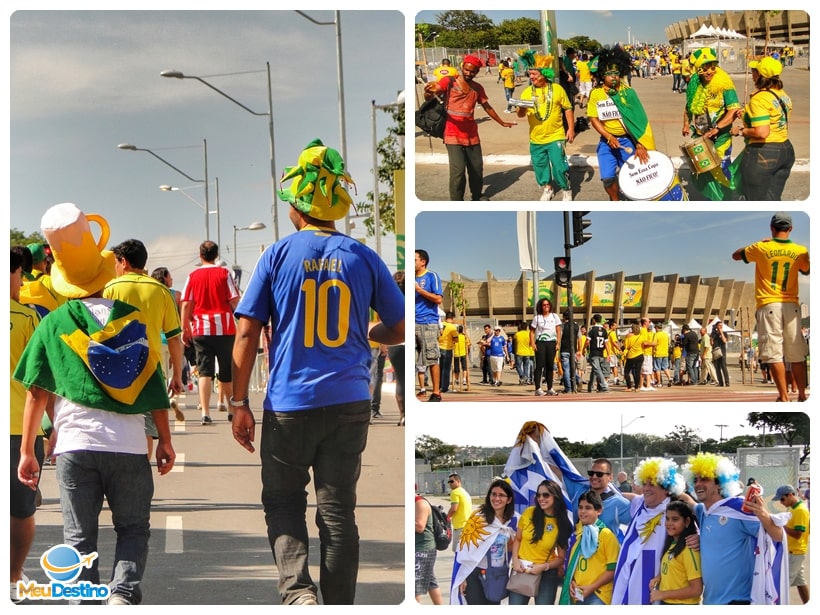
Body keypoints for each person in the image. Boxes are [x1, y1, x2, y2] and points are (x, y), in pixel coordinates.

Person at [229, 139, 404, 605]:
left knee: (284, 502)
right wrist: (365, 333)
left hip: (289, 405)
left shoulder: (277, 255)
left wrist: (237, 402)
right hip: (348, 403)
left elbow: (246, 336)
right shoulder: (363, 256)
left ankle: (298, 593)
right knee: (338, 512)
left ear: (297, 205)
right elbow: (401, 325)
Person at [15, 202, 175, 605]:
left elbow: (36, 391)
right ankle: (122, 593)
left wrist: (28, 451)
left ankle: (84, 602)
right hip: (127, 444)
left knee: (78, 536)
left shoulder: (54, 322)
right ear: (107, 275)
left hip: (73, 445)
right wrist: (166, 440)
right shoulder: (130, 317)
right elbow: (154, 386)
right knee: (133, 527)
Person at [103, 239, 184, 456]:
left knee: (116, 426)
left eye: (116, 263)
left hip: (115, 370)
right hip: (151, 368)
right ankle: (142, 469)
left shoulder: (109, 289)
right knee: (147, 429)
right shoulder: (162, 291)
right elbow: (175, 338)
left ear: (124, 262)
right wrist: (177, 374)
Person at [682, 452, 788, 604]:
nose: (698, 484)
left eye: (704, 479)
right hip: (710, 600)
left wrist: (763, 514)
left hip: (737, 600)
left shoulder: (739, 509)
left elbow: (778, 536)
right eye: (695, 480)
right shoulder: (703, 511)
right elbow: (687, 501)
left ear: (720, 484)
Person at [732, 212, 809, 401]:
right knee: (796, 354)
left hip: (769, 303)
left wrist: (759, 243)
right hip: (791, 304)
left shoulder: (761, 247)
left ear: (771, 228)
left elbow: (735, 255)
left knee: (774, 353)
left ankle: (783, 396)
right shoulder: (800, 250)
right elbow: (807, 270)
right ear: (790, 229)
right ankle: (801, 394)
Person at [423, 54, 516, 201]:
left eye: (472, 71)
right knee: (458, 171)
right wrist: (429, 92)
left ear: (477, 72)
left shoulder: (478, 88)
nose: (468, 73)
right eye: (466, 70)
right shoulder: (450, 81)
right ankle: (457, 201)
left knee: (476, 169)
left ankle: (477, 196)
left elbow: (487, 106)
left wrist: (502, 122)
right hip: (452, 133)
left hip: (471, 134)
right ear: (462, 67)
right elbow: (434, 91)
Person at [10, 249, 44, 603]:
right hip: (19, 427)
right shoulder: (26, 316)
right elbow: (40, 381)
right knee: (21, 508)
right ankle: (13, 577)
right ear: (16, 272)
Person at [611, 457, 690, 605]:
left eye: (652, 484)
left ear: (667, 488)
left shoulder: (676, 510)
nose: (646, 488)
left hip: (656, 578)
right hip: (627, 573)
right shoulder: (640, 503)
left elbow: (690, 535)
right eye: (644, 483)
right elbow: (625, 496)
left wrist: (695, 538)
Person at [180, 240, 240, 425]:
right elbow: (235, 299)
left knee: (205, 372)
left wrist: (185, 328)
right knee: (226, 372)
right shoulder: (224, 273)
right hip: (225, 328)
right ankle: (231, 409)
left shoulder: (192, 276)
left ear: (200, 255)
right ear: (216, 255)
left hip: (201, 329)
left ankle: (205, 412)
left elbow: (186, 303)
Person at [587, 46, 656, 201]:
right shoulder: (596, 93)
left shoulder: (628, 92)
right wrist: (607, 136)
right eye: (609, 74)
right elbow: (593, 118)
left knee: (636, 176)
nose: (614, 77)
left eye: (616, 73)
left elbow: (640, 121)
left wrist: (640, 143)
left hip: (628, 140)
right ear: (602, 75)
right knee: (608, 179)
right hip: (607, 141)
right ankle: (615, 200)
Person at [731, 56, 795, 200]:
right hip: (785, 150)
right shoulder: (782, 95)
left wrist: (740, 131)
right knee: (773, 198)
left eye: (754, 71)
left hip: (764, 153)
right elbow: (773, 120)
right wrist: (747, 115)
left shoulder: (760, 98)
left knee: (755, 200)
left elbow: (762, 132)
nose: (752, 74)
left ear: (760, 75)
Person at [682, 47, 741, 201]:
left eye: (713, 67)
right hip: (701, 135)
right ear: (698, 69)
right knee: (702, 168)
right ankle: (711, 197)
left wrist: (717, 128)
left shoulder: (724, 84)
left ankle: (725, 198)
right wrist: (686, 124)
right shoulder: (694, 84)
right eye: (705, 69)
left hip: (721, 136)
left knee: (721, 168)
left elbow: (733, 110)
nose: (709, 72)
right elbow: (688, 107)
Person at [516, 55, 575, 202]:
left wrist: (571, 128)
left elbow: (568, 108)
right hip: (536, 138)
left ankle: (566, 189)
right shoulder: (527, 92)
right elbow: (520, 114)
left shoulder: (557, 89)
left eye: (535, 74)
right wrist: (521, 109)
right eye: (530, 74)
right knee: (540, 167)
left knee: (559, 166)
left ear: (544, 74)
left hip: (556, 135)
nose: (532, 77)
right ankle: (548, 189)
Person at [450, 479, 516, 605]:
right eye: (493, 494)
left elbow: (511, 549)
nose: (496, 498)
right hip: (474, 573)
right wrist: (462, 577)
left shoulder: (512, 521)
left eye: (501, 495)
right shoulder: (478, 517)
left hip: (497, 575)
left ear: (509, 499)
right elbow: (464, 550)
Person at [509, 479, 573, 605]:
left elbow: (561, 558)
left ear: (556, 497)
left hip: (546, 574)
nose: (541, 498)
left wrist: (543, 567)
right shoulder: (529, 513)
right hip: (522, 569)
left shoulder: (562, 523)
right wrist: (515, 561)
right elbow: (518, 539)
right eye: (538, 495)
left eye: (545, 495)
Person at [560, 490, 620, 605]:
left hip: (598, 594)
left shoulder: (607, 536)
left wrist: (591, 587)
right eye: (580, 507)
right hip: (578, 593)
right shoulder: (577, 535)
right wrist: (572, 582)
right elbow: (573, 566)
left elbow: (612, 570)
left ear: (599, 511)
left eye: (588, 508)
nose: (582, 511)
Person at [647, 501, 703, 605]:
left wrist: (662, 594)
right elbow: (674, 570)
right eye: (667, 519)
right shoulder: (672, 543)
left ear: (687, 522)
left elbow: (696, 589)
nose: (669, 523)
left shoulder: (690, 548)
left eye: (675, 519)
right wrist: (659, 577)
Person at [150, 266, 186, 422]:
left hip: (156, 339)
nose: (171, 279)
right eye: (170, 276)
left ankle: (163, 400)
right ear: (165, 277)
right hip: (173, 338)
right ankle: (173, 399)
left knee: (162, 373)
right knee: (175, 373)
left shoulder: (152, 293)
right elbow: (180, 319)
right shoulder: (176, 295)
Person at [773, 484, 809, 603]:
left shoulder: (800, 510)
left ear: (790, 495)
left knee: (782, 583)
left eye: (782, 499)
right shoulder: (793, 509)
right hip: (794, 551)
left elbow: (798, 534)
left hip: (795, 552)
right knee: (800, 582)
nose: (781, 502)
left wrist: (781, 525)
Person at [414, 249, 443, 402]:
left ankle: (436, 392)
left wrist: (419, 290)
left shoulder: (432, 276)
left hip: (428, 322)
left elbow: (438, 299)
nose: (412, 263)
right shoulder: (408, 278)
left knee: (431, 357)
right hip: (411, 322)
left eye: (414, 260)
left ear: (423, 261)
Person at [415, 493, 443, 604]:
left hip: (423, 548)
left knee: (414, 587)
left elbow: (420, 526)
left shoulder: (420, 503)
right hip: (421, 548)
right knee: (431, 581)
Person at [530, 298, 561, 397]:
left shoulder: (554, 316)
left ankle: (550, 388)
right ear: (541, 306)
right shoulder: (537, 318)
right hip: (540, 342)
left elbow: (558, 330)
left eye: (547, 304)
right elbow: (532, 332)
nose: (546, 306)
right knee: (539, 366)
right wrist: (533, 344)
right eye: (544, 305)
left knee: (550, 366)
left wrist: (558, 343)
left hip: (551, 342)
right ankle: (538, 388)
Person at [387, 271, 406, 426]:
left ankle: (403, 415)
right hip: (407, 343)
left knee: (400, 380)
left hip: (395, 344)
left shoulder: (390, 301)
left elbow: (382, 320)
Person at [446, 473, 472, 551]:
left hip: (460, 526)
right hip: (468, 525)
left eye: (452, 481)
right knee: (465, 551)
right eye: (449, 482)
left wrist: (447, 517)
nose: (450, 484)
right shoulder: (464, 492)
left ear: (458, 481)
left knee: (457, 550)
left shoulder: (455, 492)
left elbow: (454, 508)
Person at [438, 311, 459, 394]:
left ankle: (438, 386)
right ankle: (444, 388)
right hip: (447, 348)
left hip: (439, 347)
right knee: (446, 369)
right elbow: (456, 339)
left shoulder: (441, 325)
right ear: (452, 318)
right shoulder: (452, 327)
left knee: (440, 368)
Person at [513, 321, 534, 386]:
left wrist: (513, 351)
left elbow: (514, 343)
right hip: (527, 352)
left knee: (518, 366)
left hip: (519, 352)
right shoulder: (529, 333)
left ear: (520, 327)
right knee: (526, 366)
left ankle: (522, 376)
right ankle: (526, 378)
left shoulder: (517, 334)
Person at [710, 321, 730, 387]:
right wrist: (712, 337)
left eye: (721, 325)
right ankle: (720, 382)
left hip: (722, 352)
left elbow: (724, 341)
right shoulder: (714, 334)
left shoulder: (724, 333)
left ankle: (727, 382)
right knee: (717, 368)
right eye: (719, 325)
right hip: (715, 352)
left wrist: (721, 333)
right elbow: (711, 343)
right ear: (716, 326)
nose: (720, 326)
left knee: (724, 367)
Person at [453, 324, 471, 390]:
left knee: (456, 368)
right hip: (463, 354)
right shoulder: (464, 336)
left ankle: (457, 379)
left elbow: (453, 343)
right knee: (464, 367)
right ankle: (463, 379)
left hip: (456, 354)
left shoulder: (455, 337)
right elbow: (469, 343)